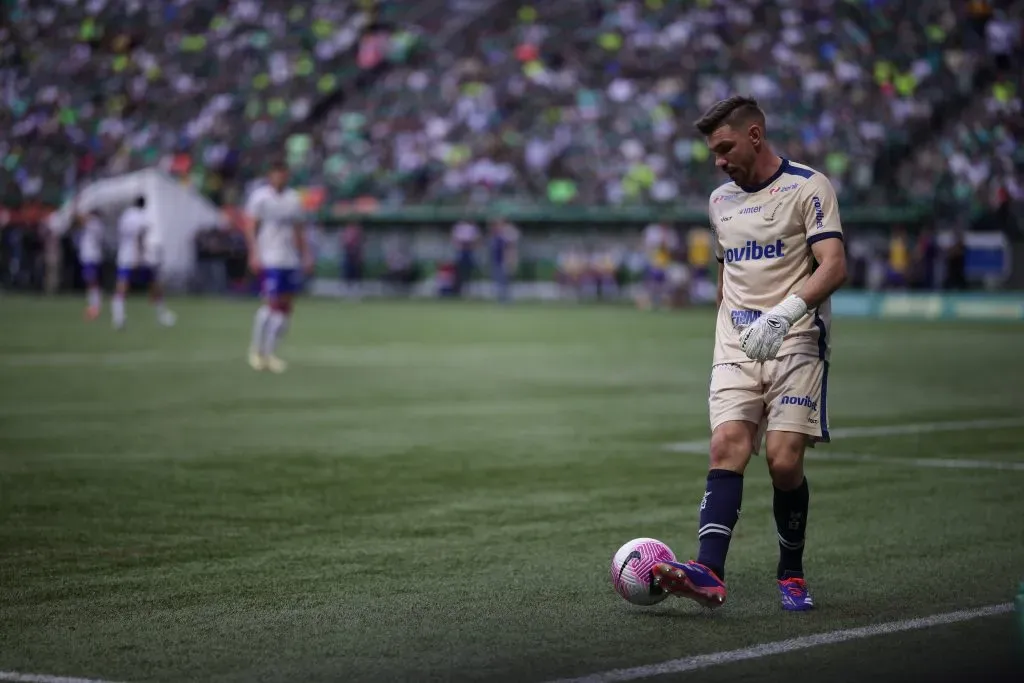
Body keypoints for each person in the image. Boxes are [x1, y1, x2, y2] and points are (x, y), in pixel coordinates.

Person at [652, 96, 848, 612]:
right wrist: (727, 325)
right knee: (726, 448)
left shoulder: (809, 187)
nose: (718, 160)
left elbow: (833, 266)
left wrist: (783, 314)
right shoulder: (720, 201)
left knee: (784, 463)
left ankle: (792, 573)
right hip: (736, 345)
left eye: (725, 147)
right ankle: (708, 572)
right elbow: (729, 271)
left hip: (796, 340)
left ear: (755, 136)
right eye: (713, 151)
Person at [244, 161, 312, 373]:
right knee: (271, 304)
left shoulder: (293, 199)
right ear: (270, 175)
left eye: (284, 174)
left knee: (285, 309)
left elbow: (299, 230)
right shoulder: (260, 197)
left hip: (289, 259)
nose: (281, 177)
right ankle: (257, 350)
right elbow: (250, 226)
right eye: (277, 173)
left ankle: (271, 353)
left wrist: (306, 255)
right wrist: (254, 252)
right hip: (269, 257)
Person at [112, 196, 176, 330]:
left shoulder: (125, 216)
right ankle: (161, 314)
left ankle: (118, 316)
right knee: (154, 285)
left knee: (122, 286)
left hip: (124, 256)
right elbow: (139, 237)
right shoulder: (141, 217)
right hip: (138, 257)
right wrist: (139, 255)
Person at [76, 209, 105, 320]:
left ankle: (95, 307)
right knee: (91, 282)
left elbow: (79, 219)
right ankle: (94, 305)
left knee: (91, 282)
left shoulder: (94, 223)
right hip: (93, 256)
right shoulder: (97, 224)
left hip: (91, 256)